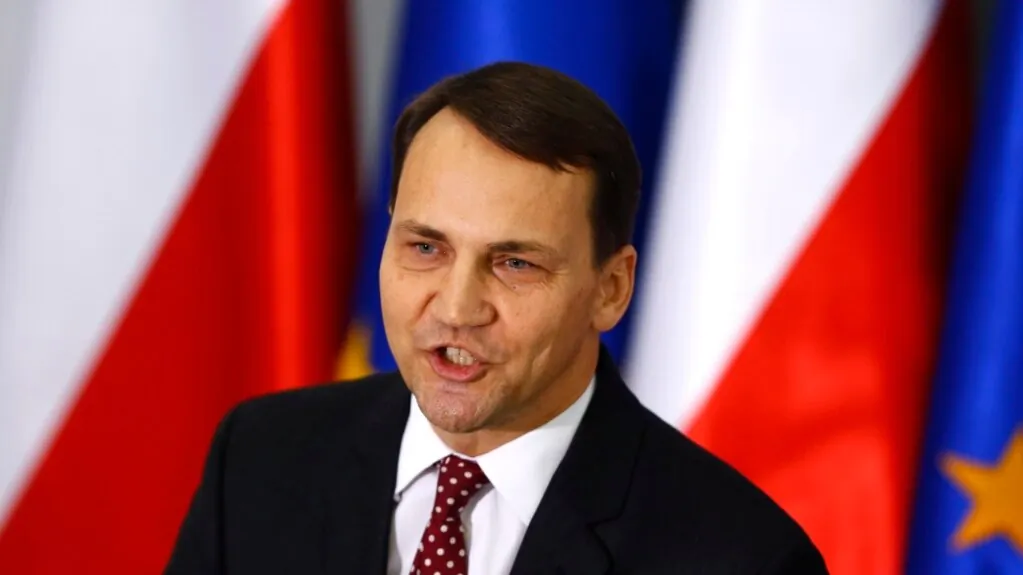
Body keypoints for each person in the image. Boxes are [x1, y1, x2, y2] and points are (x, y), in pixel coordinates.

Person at [164, 61, 828, 575]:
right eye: (426, 248)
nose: (456, 309)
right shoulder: (260, 459)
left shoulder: (742, 556)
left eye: (514, 263)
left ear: (610, 288)